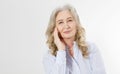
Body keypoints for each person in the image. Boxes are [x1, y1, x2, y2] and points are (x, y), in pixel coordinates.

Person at [43, 4, 106, 74]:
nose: (66, 26)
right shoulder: (49, 57)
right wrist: (61, 51)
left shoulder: (91, 48)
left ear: (76, 23)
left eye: (69, 20)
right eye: (60, 22)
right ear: (55, 28)